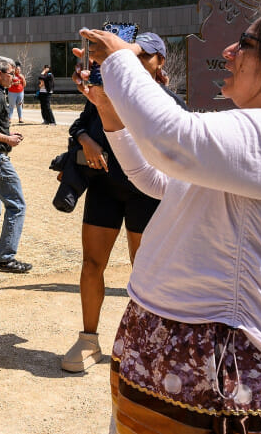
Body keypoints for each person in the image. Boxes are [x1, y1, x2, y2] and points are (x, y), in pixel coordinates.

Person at [79, 0, 261, 434]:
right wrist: (109, 113)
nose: (230, 52)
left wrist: (121, 57)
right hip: (184, 360)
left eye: (246, 44)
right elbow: (161, 179)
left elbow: (173, 141)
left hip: (231, 376)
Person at [61, 32, 184, 373]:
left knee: (143, 270)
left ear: (161, 62)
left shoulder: (168, 102)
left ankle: (146, 342)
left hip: (148, 194)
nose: (137, 61)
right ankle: (88, 339)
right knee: (91, 263)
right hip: (105, 185)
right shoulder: (106, 92)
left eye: (145, 56)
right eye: (133, 54)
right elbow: (79, 125)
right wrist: (86, 140)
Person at [0, 56, 32, 273]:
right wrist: (7, 139)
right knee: (17, 205)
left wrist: (8, 133)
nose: (14, 77)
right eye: (11, 73)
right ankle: (5, 258)